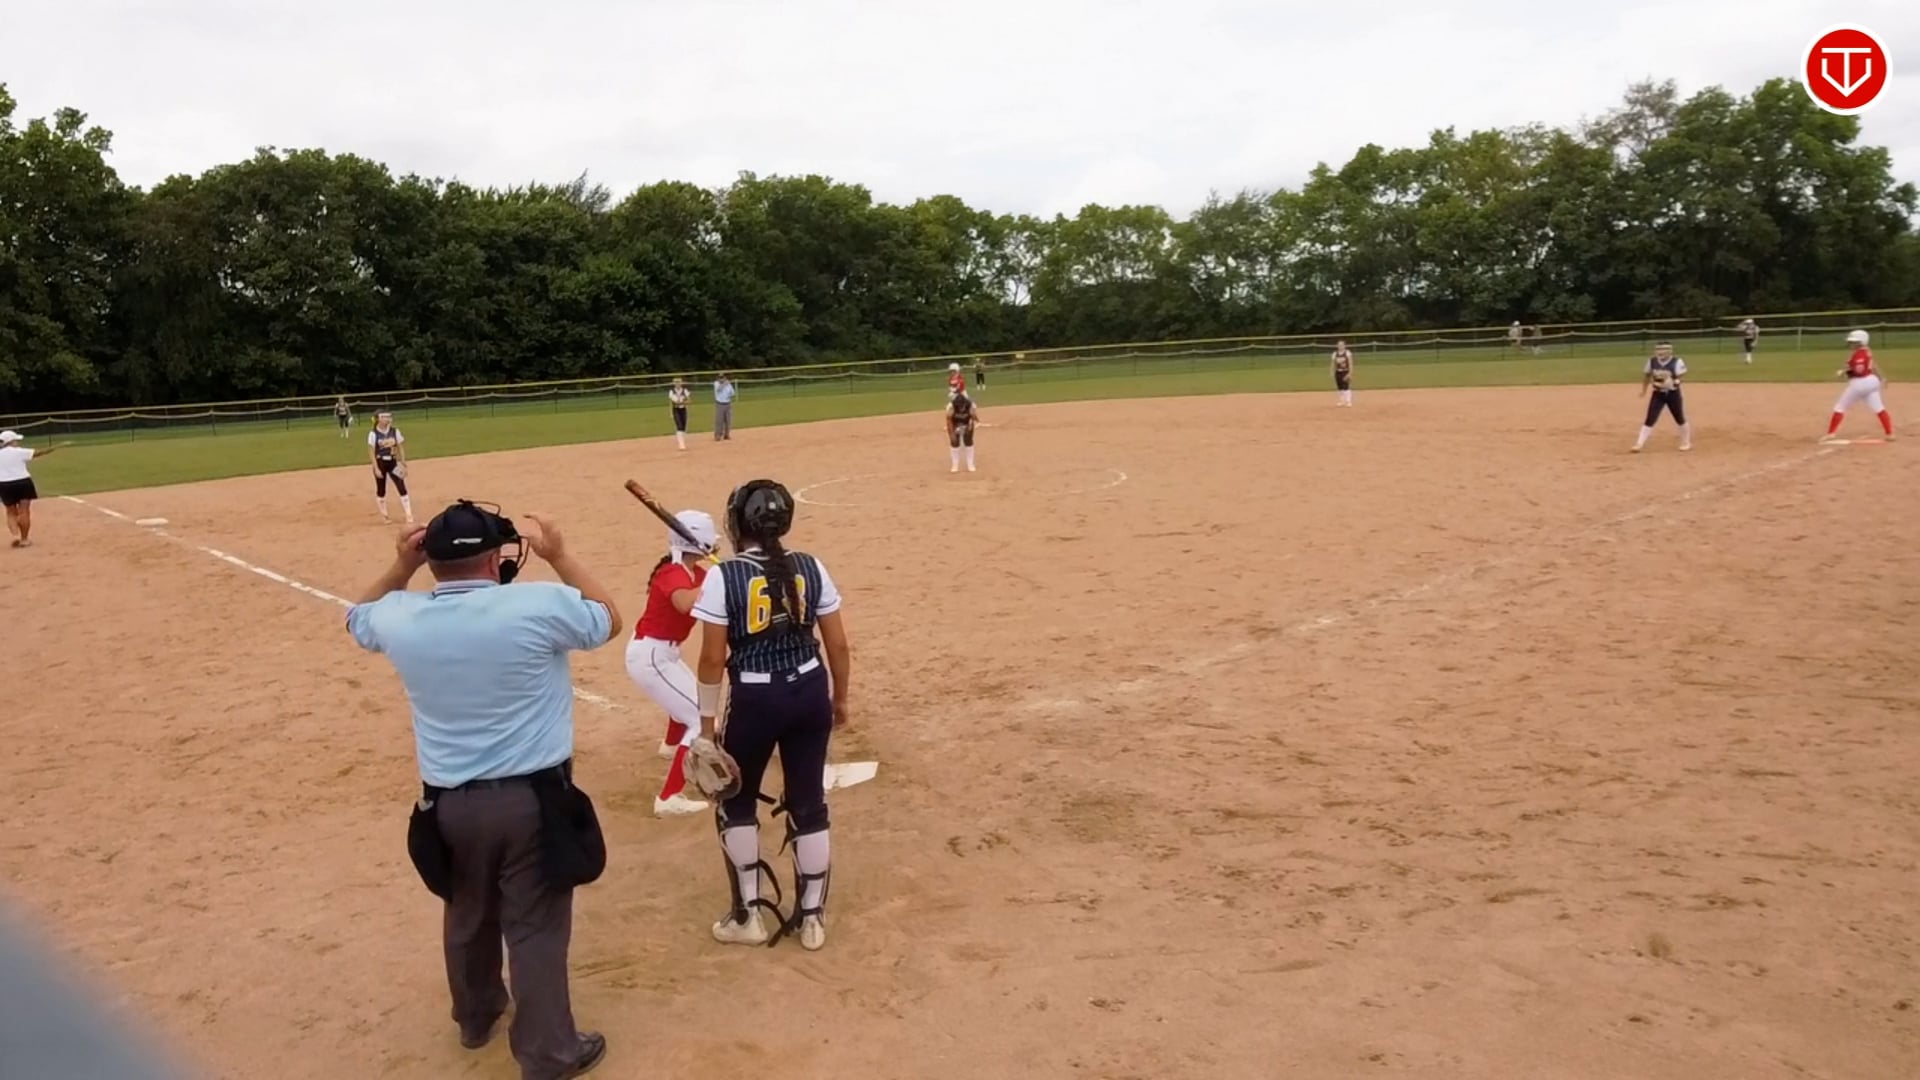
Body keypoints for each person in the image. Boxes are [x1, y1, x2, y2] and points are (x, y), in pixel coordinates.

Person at [346, 501, 620, 1079]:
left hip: (448, 802)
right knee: (535, 926)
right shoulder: (537, 603)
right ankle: (548, 1054)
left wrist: (401, 567)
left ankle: (476, 1016)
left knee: (467, 912)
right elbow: (607, 617)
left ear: (431, 560)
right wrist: (560, 556)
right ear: (496, 560)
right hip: (532, 800)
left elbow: (358, 617)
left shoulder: (400, 617)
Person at [691, 479, 851, 951]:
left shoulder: (724, 576)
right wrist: (840, 699)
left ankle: (749, 916)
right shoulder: (811, 566)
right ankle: (812, 919)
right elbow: (838, 644)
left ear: (738, 523)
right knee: (809, 803)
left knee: (736, 802)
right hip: (809, 690)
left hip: (756, 700)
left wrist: (706, 728)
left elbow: (712, 659)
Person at [623, 509, 718, 816]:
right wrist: (719, 579)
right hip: (650, 657)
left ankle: (670, 747)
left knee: (692, 698)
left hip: (663, 654)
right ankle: (668, 798)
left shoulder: (698, 575)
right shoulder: (671, 573)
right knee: (702, 721)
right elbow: (684, 602)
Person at [1822, 329, 1895, 442]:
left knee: (1840, 407)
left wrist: (1843, 372)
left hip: (1860, 383)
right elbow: (1872, 366)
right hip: (1872, 381)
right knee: (1879, 408)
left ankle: (1831, 433)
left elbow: (1859, 371)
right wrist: (1881, 378)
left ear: (1861, 342)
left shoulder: (1859, 354)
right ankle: (1889, 434)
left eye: (1854, 342)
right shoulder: (1867, 351)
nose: (1851, 344)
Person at [0, 431, 64, 549]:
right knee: (24, 511)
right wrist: (55, 447)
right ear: (11, 441)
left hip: (4, 484)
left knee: (10, 512)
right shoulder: (19, 452)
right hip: (23, 482)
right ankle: (24, 539)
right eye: (15, 440)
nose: (17, 442)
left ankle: (15, 535)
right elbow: (38, 453)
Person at [1633, 341, 1692, 453]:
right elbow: (1647, 376)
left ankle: (1686, 442)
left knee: (1679, 417)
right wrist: (1644, 390)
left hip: (1673, 394)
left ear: (1669, 351)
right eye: (1658, 349)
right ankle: (1639, 444)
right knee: (1650, 417)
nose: (1660, 352)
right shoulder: (1652, 361)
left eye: (1663, 349)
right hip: (1658, 393)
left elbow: (1681, 377)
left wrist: (1675, 382)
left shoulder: (1676, 362)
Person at [368, 410, 413, 524]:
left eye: (388, 417)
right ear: (378, 419)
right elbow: (371, 452)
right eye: (384, 417)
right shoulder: (373, 434)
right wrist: (376, 468)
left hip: (393, 463)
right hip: (380, 463)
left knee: (401, 486)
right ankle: (385, 516)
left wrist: (403, 462)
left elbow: (400, 447)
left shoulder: (394, 431)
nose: (387, 419)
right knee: (381, 489)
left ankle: (408, 514)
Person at [946, 389, 980, 473]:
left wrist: (971, 425)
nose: (961, 408)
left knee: (968, 441)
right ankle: (955, 465)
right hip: (955, 423)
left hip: (966, 422)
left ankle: (970, 464)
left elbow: (973, 417)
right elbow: (949, 420)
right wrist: (952, 434)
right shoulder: (951, 406)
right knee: (954, 443)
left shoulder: (970, 405)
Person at [668, 378, 691, 451]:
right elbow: (671, 402)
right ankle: (681, 444)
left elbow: (689, 400)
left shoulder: (684, 390)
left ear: (681, 383)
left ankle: (682, 439)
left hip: (683, 409)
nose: (677, 384)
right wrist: (671, 412)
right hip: (676, 410)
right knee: (679, 425)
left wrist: (683, 402)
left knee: (684, 426)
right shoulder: (672, 391)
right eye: (676, 382)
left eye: (679, 382)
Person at [1330, 340, 1355, 407]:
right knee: (1340, 387)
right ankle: (1341, 401)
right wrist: (1332, 371)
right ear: (1337, 346)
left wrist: (1350, 373)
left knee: (1346, 386)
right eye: (1339, 345)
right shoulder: (1335, 353)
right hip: (1338, 372)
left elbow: (1350, 364)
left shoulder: (1347, 353)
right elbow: (1333, 364)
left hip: (1345, 371)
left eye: (1342, 345)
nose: (1340, 346)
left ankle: (1348, 401)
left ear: (1344, 346)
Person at [712, 374, 735, 441]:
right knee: (719, 421)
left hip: (727, 404)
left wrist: (729, 394)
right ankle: (718, 435)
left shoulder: (729, 385)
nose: (721, 379)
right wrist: (725, 384)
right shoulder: (716, 383)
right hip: (720, 404)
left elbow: (732, 393)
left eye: (722, 378)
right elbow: (719, 389)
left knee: (728, 420)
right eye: (720, 378)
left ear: (725, 378)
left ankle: (726, 435)